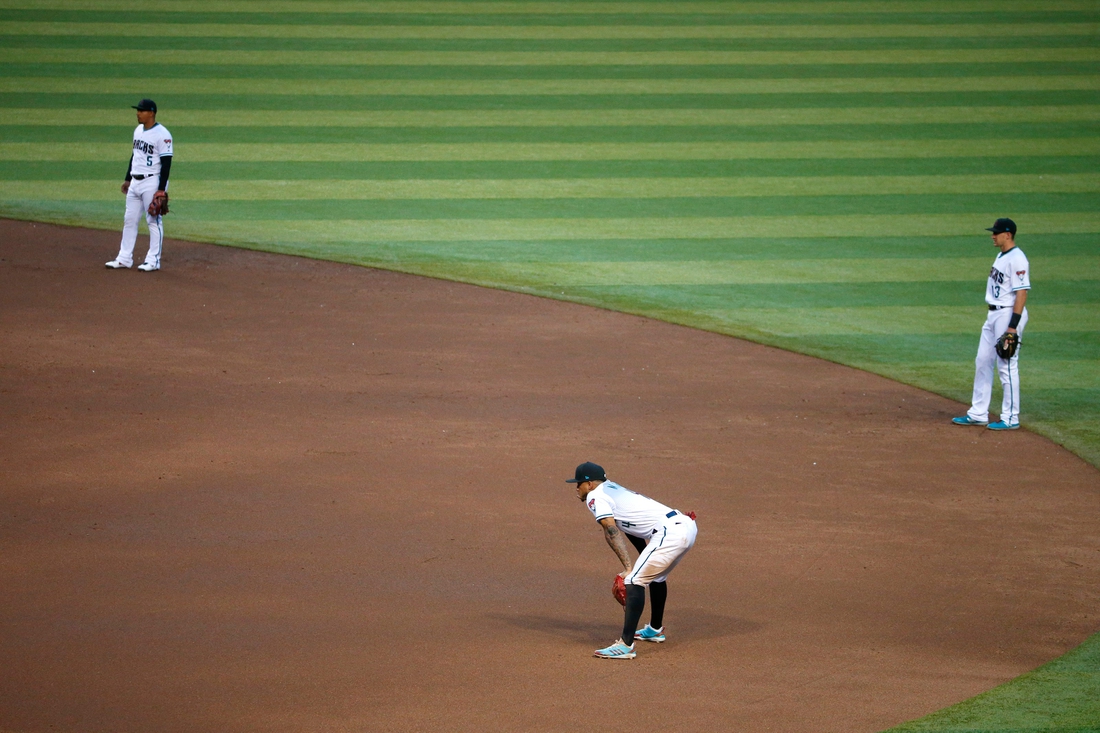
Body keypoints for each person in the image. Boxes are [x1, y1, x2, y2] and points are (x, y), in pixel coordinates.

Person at [567, 461, 697, 660]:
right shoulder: (612, 488)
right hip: (684, 527)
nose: (577, 487)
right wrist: (637, 563)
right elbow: (631, 529)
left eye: (579, 483)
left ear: (590, 484)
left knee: (633, 581)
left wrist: (630, 569)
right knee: (655, 577)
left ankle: (626, 645)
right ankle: (654, 630)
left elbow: (611, 530)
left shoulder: (595, 496)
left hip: (669, 533)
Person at [953, 218, 1030, 430]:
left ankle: (1011, 417)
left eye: (996, 233)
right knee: (983, 360)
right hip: (993, 314)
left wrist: (1012, 327)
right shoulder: (1001, 255)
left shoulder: (1018, 259)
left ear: (1008, 234)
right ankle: (978, 413)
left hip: (1008, 315)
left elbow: (1021, 293)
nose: (992, 236)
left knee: (1006, 365)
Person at [106, 99, 173, 271]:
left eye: (141, 111)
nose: (138, 113)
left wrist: (161, 189)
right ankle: (124, 258)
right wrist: (128, 178)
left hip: (152, 181)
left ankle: (153, 260)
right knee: (129, 220)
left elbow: (166, 163)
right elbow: (135, 155)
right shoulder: (138, 130)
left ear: (151, 113)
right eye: (138, 110)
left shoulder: (163, 134)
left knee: (153, 220)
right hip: (135, 181)